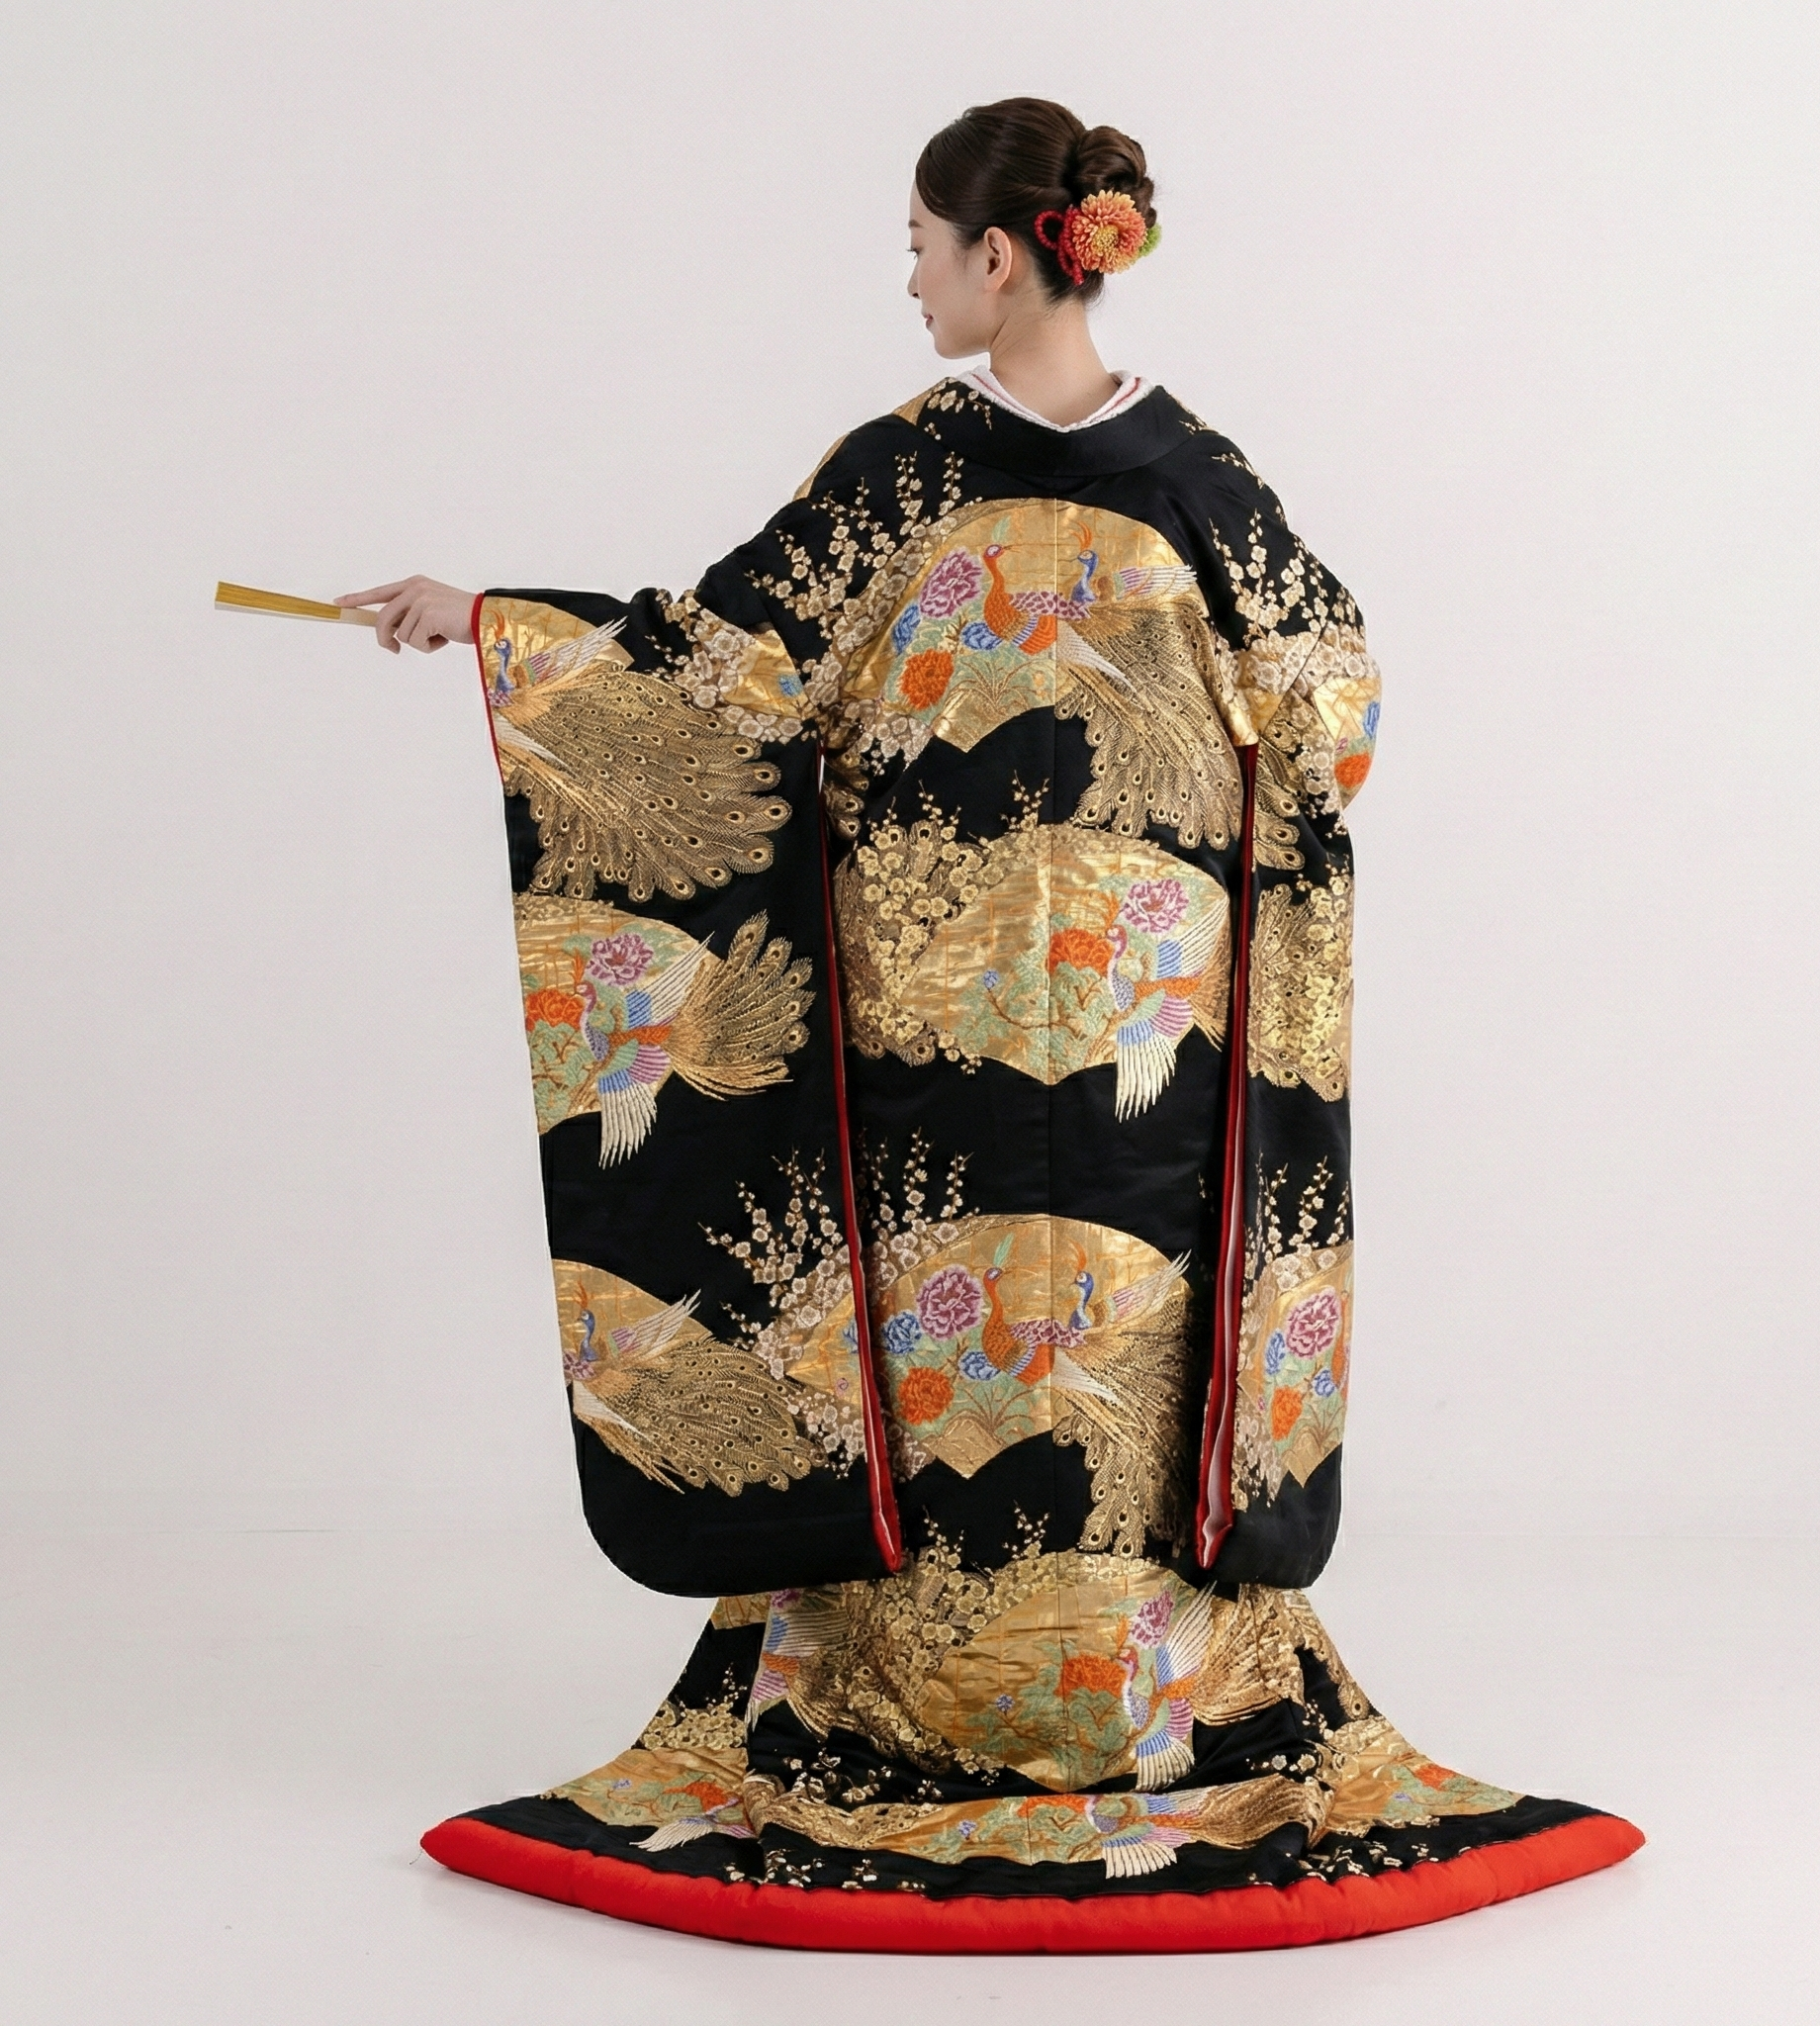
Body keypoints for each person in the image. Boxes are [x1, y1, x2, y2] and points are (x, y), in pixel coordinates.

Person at [339, 97, 1640, 1953]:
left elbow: (733, 675)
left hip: (1047, 1028)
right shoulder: (1149, 480)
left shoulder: (988, 472)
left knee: (1099, 1335)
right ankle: (1064, 1698)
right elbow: (1320, 706)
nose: (911, 283)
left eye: (921, 248)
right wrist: (494, 618)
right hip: (1040, 1022)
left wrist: (504, 631)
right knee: (987, 1336)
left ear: (1006, 254)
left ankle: (1002, 1697)